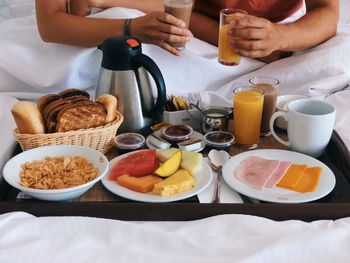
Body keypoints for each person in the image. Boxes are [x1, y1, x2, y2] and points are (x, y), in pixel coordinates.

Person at [189, 0, 339, 62]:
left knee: (338, 58)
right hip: (199, 31)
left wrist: (280, 37)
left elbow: (327, 9)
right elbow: (170, 6)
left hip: (283, 29)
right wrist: (235, 40)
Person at [35, 0, 190, 56]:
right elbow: (49, 26)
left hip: (149, 32)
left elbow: (170, 3)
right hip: (76, 42)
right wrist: (130, 28)